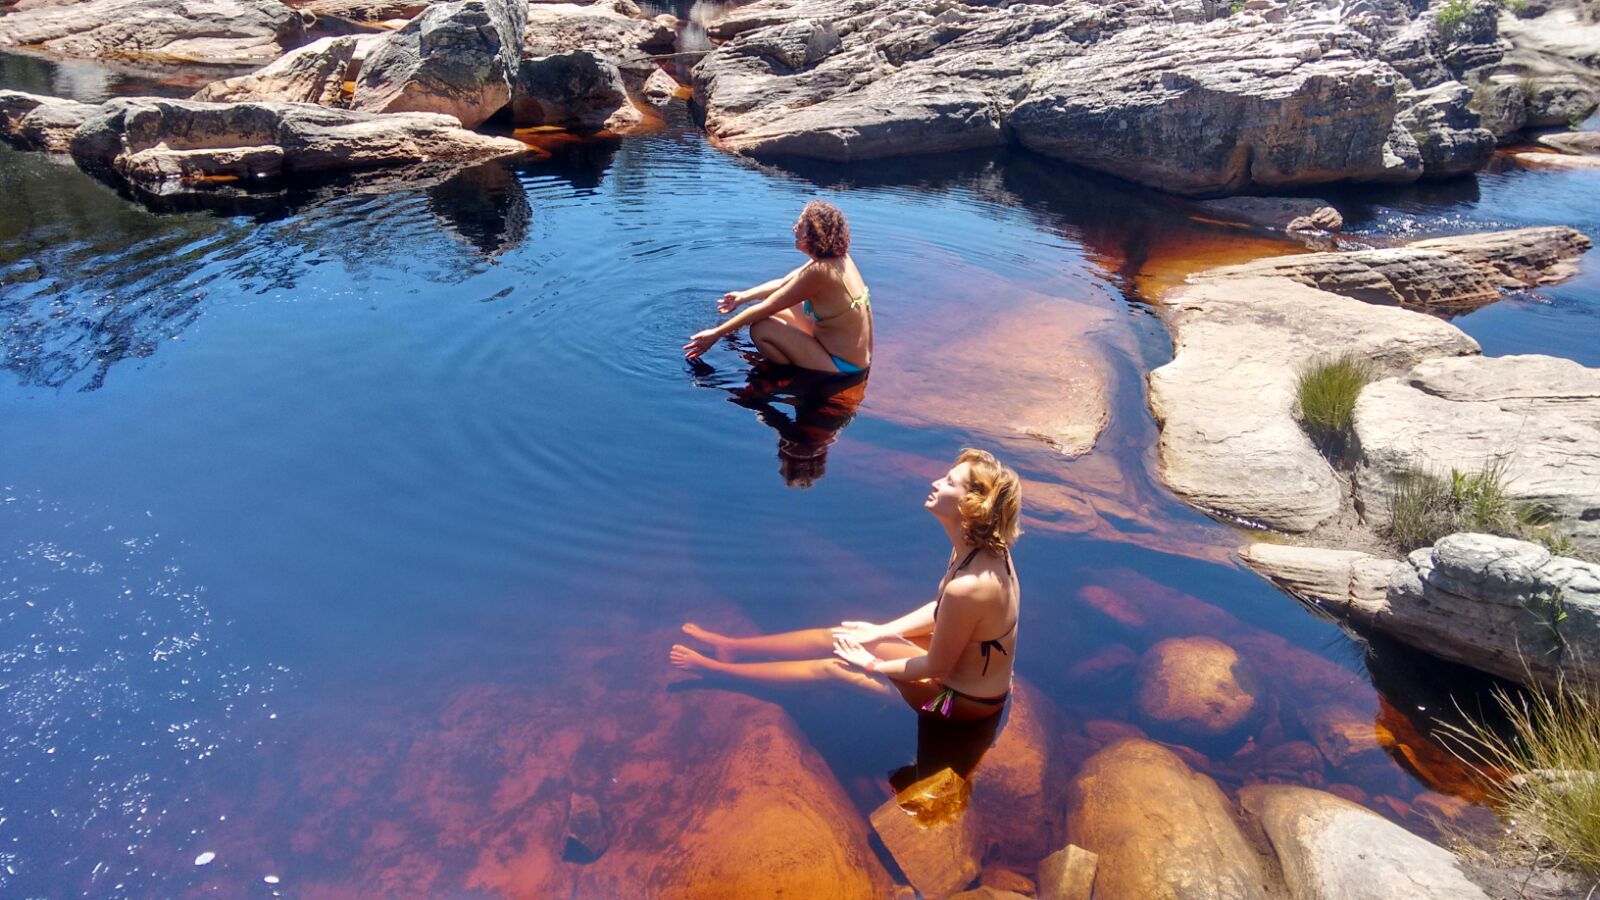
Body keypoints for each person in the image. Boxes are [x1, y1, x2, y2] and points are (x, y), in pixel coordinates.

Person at [670, 448, 1022, 722]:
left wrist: (870, 665)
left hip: (958, 703)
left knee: (837, 665)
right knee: (846, 634)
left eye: (949, 482)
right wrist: (878, 631)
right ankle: (734, 646)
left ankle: (719, 671)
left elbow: (936, 669)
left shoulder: (972, 584)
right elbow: (941, 609)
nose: (935, 483)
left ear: (971, 506)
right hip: (963, 672)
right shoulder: (980, 551)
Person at [683, 201, 872, 374]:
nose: (794, 229)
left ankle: (784, 376)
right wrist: (743, 297)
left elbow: (768, 307)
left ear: (811, 234)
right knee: (768, 308)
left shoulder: (821, 272)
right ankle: (793, 357)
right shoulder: (837, 259)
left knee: (761, 328)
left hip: (841, 366)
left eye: (799, 226)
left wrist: (715, 334)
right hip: (852, 355)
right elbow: (783, 284)